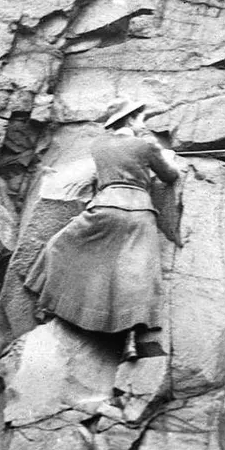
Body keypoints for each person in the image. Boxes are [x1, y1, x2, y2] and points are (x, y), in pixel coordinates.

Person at [25, 98, 180, 361]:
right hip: (140, 214)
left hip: (106, 208)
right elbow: (170, 176)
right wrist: (168, 157)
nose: (143, 121)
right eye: (140, 116)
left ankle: (49, 304)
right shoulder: (146, 144)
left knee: (60, 246)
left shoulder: (99, 146)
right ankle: (130, 340)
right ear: (130, 119)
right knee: (135, 274)